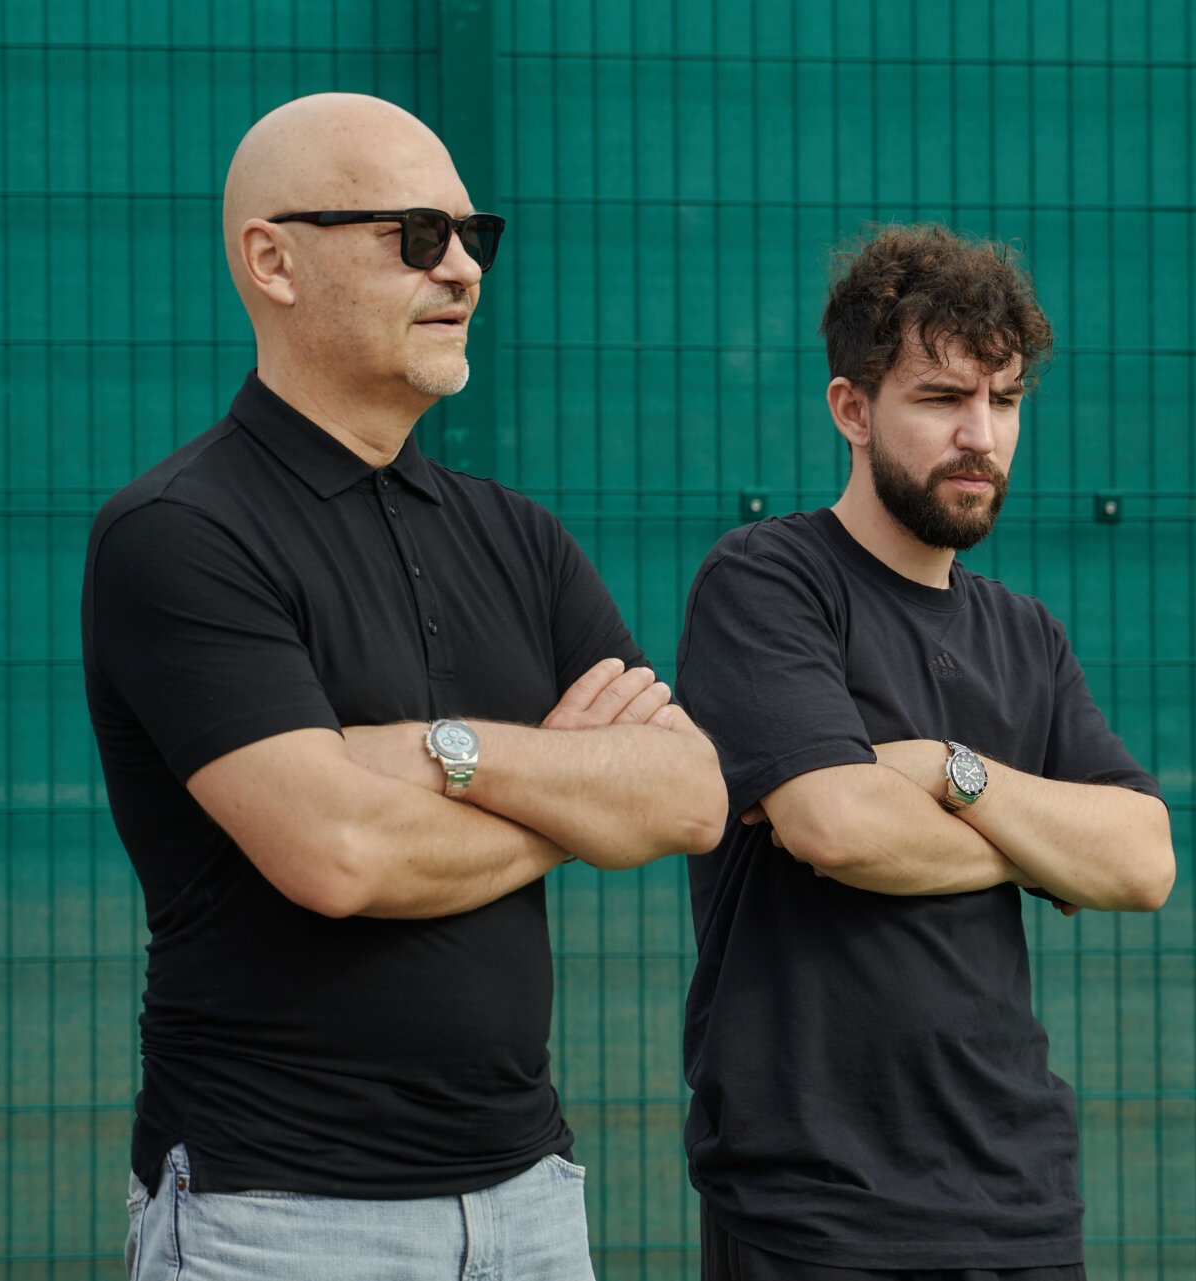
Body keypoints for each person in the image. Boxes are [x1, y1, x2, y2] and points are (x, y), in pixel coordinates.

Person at [81, 93, 727, 1280]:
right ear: (272, 261)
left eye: (475, 235)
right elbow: (340, 856)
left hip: (531, 1205)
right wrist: (577, 805)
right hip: (275, 1219)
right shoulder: (177, 534)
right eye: (416, 236)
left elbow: (690, 797)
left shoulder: (517, 537)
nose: (463, 269)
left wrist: (444, 753)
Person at [675, 224, 1177, 1279]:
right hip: (818, 1205)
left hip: (1020, 1196)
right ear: (852, 410)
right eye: (943, 398)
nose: (980, 436)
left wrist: (954, 773)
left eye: (1005, 400)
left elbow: (1141, 861)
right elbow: (837, 826)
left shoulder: (1027, 634)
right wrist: (1038, 845)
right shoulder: (766, 582)